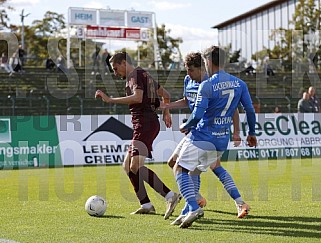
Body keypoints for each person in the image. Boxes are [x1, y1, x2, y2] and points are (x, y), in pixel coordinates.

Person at [171, 46, 257, 228]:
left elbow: (197, 116)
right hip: (221, 141)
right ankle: (188, 209)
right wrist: (251, 133)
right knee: (193, 171)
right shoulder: (239, 83)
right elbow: (249, 110)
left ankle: (194, 207)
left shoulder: (207, 84)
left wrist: (185, 126)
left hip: (202, 136)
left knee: (179, 168)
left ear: (208, 61)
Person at [95, 52, 180, 219]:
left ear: (124, 62)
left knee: (134, 166)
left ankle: (170, 196)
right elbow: (166, 95)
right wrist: (166, 112)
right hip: (145, 124)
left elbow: (138, 97)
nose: (115, 72)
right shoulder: (144, 74)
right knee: (127, 166)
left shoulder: (134, 75)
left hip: (145, 124)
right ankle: (146, 204)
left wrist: (110, 100)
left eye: (115, 68)